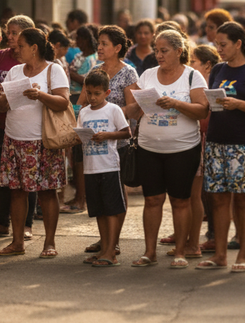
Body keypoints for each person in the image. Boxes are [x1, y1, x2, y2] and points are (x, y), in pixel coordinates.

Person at [124, 29, 209, 269]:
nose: (158, 55)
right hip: (149, 147)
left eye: (164, 50)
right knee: (152, 200)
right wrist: (114, 112)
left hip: (183, 149)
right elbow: (135, 109)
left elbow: (202, 110)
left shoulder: (193, 77)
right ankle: (149, 252)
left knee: (180, 201)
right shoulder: (148, 75)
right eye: (156, 50)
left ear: (179, 51)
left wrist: (176, 104)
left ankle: (181, 252)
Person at [195, 22, 245, 273]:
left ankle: (243, 254)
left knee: (243, 201)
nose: (219, 49)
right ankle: (220, 254)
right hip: (217, 142)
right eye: (217, 44)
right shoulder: (218, 69)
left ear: (239, 43)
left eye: (223, 44)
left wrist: (238, 104)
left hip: (244, 144)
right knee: (217, 200)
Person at [0, 28, 70, 258]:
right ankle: (17, 242)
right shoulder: (15, 71)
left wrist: (41, 96)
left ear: (34, 48)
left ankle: (49, 243)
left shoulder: (53, 70)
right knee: (17, 192)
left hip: (42, 141)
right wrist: (6, 99)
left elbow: (63, 102)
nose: (16, 50)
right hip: (14, 139)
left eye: (20, 46)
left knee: (47, 192)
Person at [78, 26, 138, 256]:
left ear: (118, 48)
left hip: (117, 142)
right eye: (98, 43)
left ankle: (114, 241)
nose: (99, 48)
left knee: (116, 193)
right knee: (100, 195)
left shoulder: (128, 73)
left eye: (104, 43)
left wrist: (108, 112)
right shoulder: (95, 70)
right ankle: (104, 240)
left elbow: (133, 106)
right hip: (94, 142)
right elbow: (83, 101)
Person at [0, 15, 37, 240]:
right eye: (8, 32)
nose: (9, 37)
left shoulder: (32, 61)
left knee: (27, 178)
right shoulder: (0, 57)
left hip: (25, 127)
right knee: (5, 175)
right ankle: (3, 222)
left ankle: (27, 224)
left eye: (15, 33)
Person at [77, 70, 131, 267]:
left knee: (111, 210)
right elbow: (81, 134)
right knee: (99, 211)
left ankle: (111, 251)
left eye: (97, 93)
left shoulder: (113, 110)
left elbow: (127, 133)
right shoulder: (83, 112)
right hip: (90, 168)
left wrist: (107, 135)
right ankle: (104, 248)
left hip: (109, 166)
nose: (92, 97)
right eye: (89, 93)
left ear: (107, 92)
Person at [63, 25, 98, 213]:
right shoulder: (78, 56)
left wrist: (72, 75)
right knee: (76, 154)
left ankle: (81, 199)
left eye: (80, 38)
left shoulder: (94, 59)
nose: (77, 42)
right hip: (74, 105)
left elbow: (88, 80)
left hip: (82, 106)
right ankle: (79, 197)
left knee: (81, 155)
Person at [189, 44, 221, 254]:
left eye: (193, 62)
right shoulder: (191, 81)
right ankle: (188, 232)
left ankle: (214, 236)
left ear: (207, 65)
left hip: (213, 139)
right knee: (197, 192)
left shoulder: (215, 83)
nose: (190, 65)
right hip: (197, 138)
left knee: (212, 192)